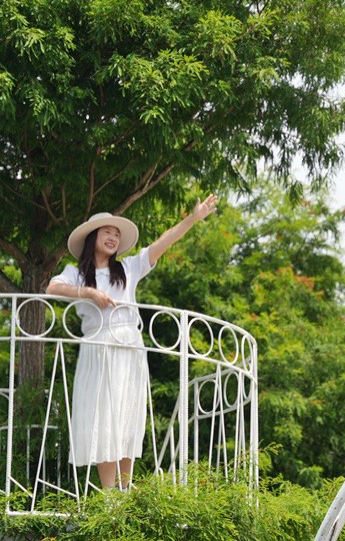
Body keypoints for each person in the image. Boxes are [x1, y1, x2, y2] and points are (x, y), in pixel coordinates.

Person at [45, 194, 219, 490]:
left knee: (127, 415)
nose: (113, 237)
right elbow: (52, 288)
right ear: (92, 237)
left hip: (129, 345)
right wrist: (88, 293)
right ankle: (109, 497)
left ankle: (124, 494)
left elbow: (163, 243)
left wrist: (193, 218)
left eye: (116, 233)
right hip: (99, 348)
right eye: (106, 232)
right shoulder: (75, 273)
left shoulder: (127, 269)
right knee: (105, 417)